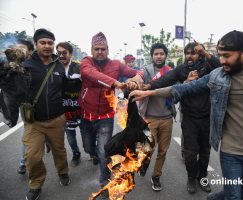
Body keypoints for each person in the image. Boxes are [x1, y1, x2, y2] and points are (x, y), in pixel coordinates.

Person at [129, 30, 243, 200]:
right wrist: (149, 93)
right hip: (230, 151)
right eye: (220, 55)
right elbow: (182, 88)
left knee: (242, 193)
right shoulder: (218, 75)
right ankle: (196, 180)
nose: (222, 60)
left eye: (227, 56)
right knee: (234, 196)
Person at [136, 41, 220, 194]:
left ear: (199, 54)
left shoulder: (208, 67)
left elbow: (221, 67)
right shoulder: (181, 70)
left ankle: (202, 177)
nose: (189, 56)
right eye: (187, 53)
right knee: (190, 152)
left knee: (205, 152)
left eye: (193, 53)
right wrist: (149, 87)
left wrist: (206, 53)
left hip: (207, 118)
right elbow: (165, 80)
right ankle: (191, 178)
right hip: (188, 118)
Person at [78, 32, 143, 199]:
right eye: (97, 49)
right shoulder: (86, 62)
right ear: (91, 49)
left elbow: (137, 72)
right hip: (86, 115)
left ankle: (104, 184)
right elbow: (91, 74)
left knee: (103, 152)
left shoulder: (116, 64)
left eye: (103, 49)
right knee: (88, 148)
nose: (100, 52)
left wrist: (136, 77)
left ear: (108, 49)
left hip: (105, 116)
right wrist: (115, 83)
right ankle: (91, 153)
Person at [22, 28, 70, 200]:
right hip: (34, 122)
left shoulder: (59, 65)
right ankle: (36, 184)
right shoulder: (26, 65)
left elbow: (64, 89)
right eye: (43, 42)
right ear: (36, 45)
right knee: (32, 156)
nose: (47, 46)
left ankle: (63, 172)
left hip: (57, 119)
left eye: (50, 43)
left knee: (59, 151)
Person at [135, 43, 176, 191]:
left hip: (167, 119)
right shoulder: (145, 71)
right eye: (156, 54)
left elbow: (176, 90)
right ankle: (145, 163)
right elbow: (138, 77)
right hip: (149, 119)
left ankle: (156, 176)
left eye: (162, 53)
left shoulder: (172, 72)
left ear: (165, 55)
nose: (159, 56)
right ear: (152, 55)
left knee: (163, 151)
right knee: (148, 150)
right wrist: (135, 80)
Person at [56, 42, 82, 167]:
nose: (61, 55)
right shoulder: (54, 68)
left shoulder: (79, 67)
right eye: (59, 53)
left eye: (64, 53)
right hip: (64, 109)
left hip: (81, 108)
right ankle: (76, 154)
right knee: (70, 137)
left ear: (70, 54)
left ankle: (93, 152)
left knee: (87, 135)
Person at [14, 39, 34, 175]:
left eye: (22, 48)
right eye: (17, 48)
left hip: (44, 107)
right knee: (27, 135)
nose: (19, 51)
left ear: (30, 52)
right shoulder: (13, 65)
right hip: (26, 107)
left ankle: (47, 144)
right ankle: (23, 162)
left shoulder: (36, 64)